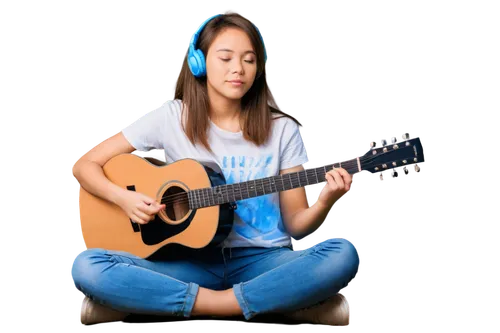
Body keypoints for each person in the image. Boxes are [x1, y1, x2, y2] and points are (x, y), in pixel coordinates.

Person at [69, 9, 360, 328]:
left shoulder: (282, 130)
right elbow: (85, 165)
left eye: (249, 60)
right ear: (199, 62)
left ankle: (153, 303)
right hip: (186, 262)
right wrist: (123, 198)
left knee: (343, 254)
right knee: (86, 266)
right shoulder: (172, 117)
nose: (239, 69)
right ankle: (281, 304)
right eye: (226, 58)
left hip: (263, 261)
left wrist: (326, 200)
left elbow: (295, 225)